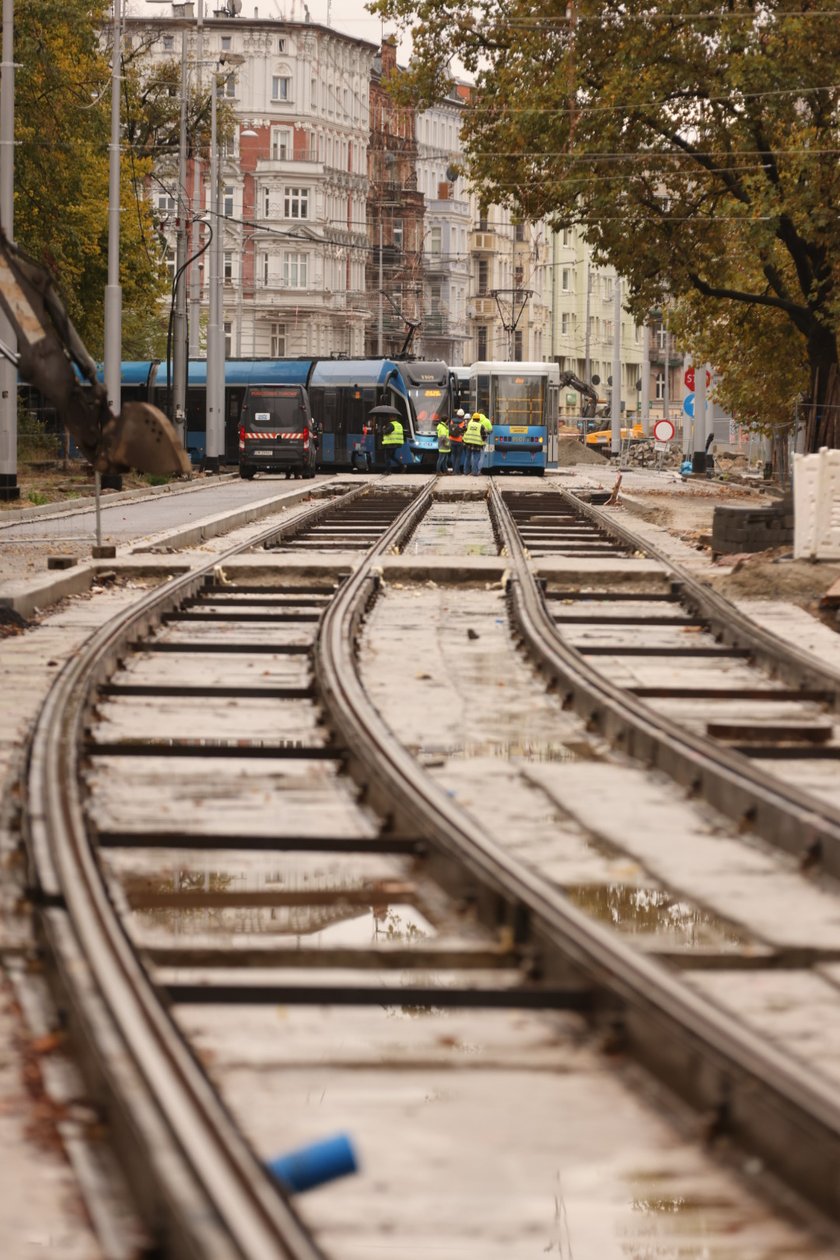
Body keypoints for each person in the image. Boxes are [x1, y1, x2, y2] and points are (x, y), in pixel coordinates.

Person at [463, 410, 492, 475]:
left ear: (473, 418)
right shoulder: (481, 425)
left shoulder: (469, 424)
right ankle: (475, 472)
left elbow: (464, 430)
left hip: (468, 443)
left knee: (468, 457)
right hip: (477, 443)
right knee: (477, 457)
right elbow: (484, 435)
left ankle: (466, 471)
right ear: (478, 419)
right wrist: (484, 441)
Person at [449, 408, 467, 473]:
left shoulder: (452, 420)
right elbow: (465, 430)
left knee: (453, 455)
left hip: (451, 439)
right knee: (458, 456)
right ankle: (457, 471)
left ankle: (454, 470)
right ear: (462, 415)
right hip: (459, 440)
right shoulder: (463, 422)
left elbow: (450, 429)